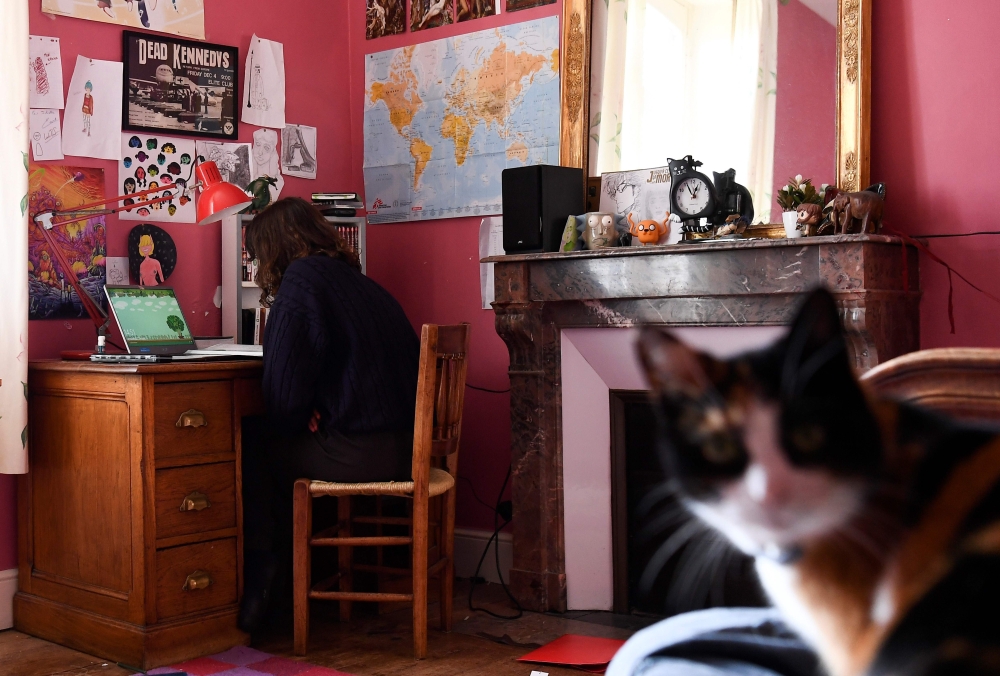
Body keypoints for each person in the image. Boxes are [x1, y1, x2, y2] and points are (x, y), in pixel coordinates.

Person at [239, 197, 420, 632]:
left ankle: (265, 581)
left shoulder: (300, 284)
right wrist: (308, 406)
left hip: (359, 453)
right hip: (405, 448)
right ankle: (294, 581)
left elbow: (282, 400)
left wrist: (298, 412)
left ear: (272, 249)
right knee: (276, 436)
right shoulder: (361, 283)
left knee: (250, 441)